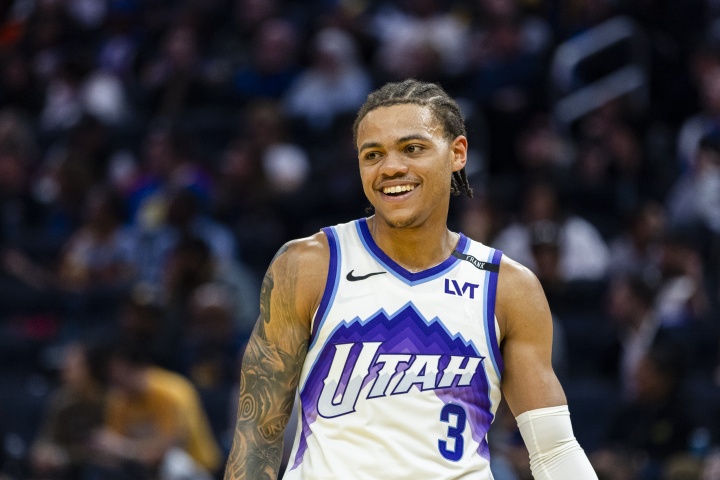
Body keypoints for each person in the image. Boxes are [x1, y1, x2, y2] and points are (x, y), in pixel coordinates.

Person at [223, 79, 598, 479]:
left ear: (457, 153)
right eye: (373, 154)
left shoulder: (508, 286)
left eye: (412, 149)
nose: (391, 168)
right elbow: (258, 433)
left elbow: (554, 451)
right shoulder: (308, 264)